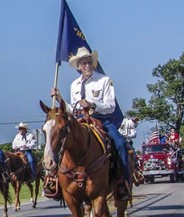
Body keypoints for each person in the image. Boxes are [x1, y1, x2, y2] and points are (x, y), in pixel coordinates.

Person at [51, 47, 131, 201]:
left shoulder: (104, 80)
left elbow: (110, 106)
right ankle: (55, 181)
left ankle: (124, 182)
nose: (86, 65)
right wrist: (60, 99)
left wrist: (92, 104)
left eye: (89, 62)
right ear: (79, 67)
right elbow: (72, 109)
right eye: (83, 63)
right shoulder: (74, 85)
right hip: (79, 121)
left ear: (93, 64)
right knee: (60, 142)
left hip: (101, 119)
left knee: (120, 143)